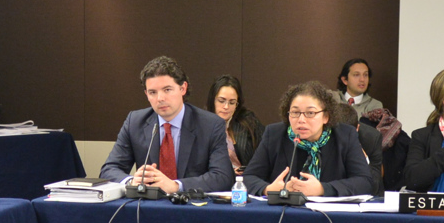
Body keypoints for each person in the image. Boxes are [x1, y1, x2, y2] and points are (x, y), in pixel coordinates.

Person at [99, 56, 231, 194]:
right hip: (147, 207)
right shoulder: (135, 122)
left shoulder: (210, 125)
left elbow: (223, 177)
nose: (160, 98)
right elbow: (109, 169)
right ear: (146, 94)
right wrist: (132, 182)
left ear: (183, 88)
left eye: (167, 90)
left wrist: (176, 186)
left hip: (192, 208)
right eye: (152, 92)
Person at [243, 82, 376, 198]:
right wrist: (269, 189)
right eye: (295, 113)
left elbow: (365, 182)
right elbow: (248, 178)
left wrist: (322, 189)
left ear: (326, 117)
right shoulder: (274, 134)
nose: (301, 120)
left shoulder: (345, 136)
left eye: (310, 113)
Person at [207, 74, 265, 173]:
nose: (226, 107)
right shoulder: (202, 124)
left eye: (232, 102)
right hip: (214, 182)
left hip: (246, 181)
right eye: (221, 101)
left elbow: (264, 156)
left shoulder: (249, 122)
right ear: (213, 100)